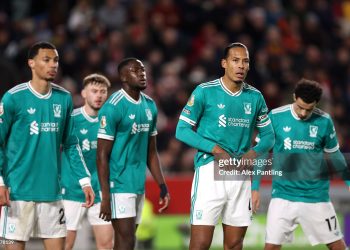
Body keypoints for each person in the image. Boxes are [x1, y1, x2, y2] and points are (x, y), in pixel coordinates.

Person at [175, 42, 275, 250]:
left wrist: (254, 152)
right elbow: (181, 130)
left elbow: (269, 136)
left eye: (245, 61)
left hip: (240, 175)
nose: (241, 66)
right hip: (210, 171)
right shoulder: (205, 91)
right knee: (200, 243)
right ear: (224, 63)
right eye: (235, 60)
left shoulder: (255, 97)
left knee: (234, 244)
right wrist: (215, 149)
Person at [0, 41, 95, 249]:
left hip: (52, 193)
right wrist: (0, 182)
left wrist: (85, 181)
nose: (53, 65)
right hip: (17, 193)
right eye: (47, 60)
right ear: (31, 63)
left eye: (56, 60)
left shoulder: (64, 98)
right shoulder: (13, 98)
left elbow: (70, 144)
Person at [252, 79, 349, 250]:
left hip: (316, 197)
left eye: (309, 109)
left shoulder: (324, 121)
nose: (303, 113)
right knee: (271, 247)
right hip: (283, 196)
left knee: (338, 247)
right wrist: (254, 188)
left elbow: (335, 154)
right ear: (294, 97)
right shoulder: (275, 117)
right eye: (300, 107)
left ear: (316, 104)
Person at [97, 57, 170, 250]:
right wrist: (105, 196)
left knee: (127, 240)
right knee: (127, 239)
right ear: (123, 77)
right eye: (136, 71)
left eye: (143, 70)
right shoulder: (113, 106)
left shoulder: (150, 106)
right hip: (118, 184)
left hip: (137, 183)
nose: (142, 74)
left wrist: (162, 186)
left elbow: (151, 152)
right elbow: (102, 155)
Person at [61, 73, 113, 250]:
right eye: (94, 91)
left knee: (106, 244)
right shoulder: (71, 120)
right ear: (83, 93)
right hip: (71, 190)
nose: (98, 95)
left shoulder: (111, 122)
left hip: (99, 191)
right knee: (65, 244)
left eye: (102, 91)